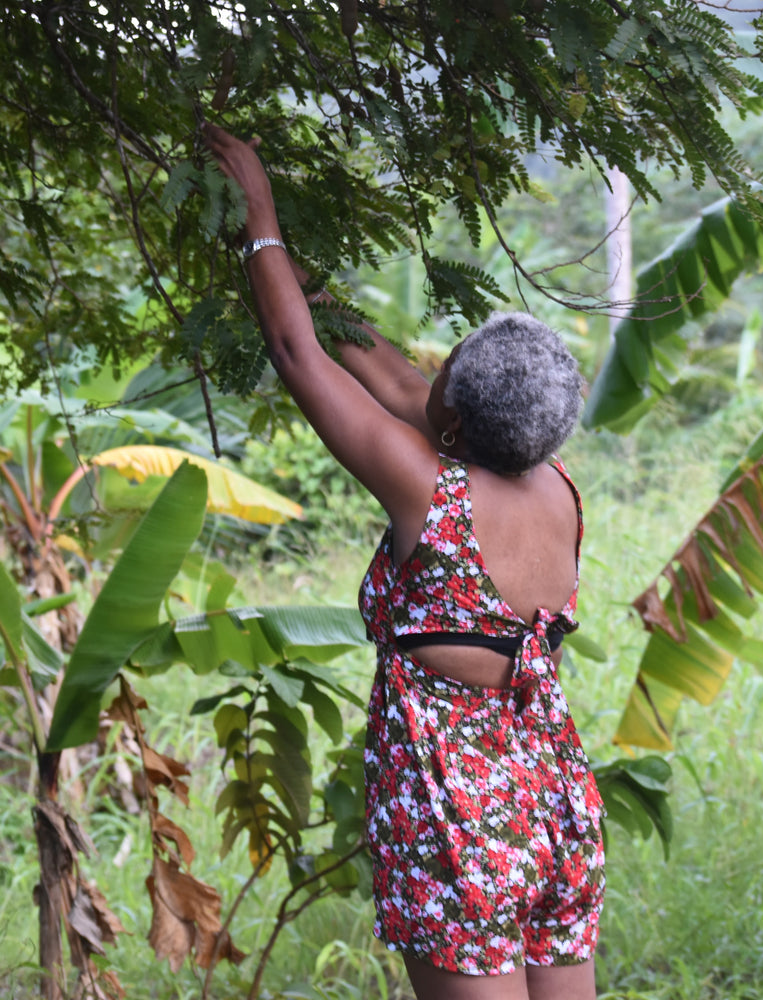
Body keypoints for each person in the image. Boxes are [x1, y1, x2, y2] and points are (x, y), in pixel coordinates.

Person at [203, 123, 605, 1000]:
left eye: (447, 369)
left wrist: (261, 217)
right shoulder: (555, 487)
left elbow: (298, 353)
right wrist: (291, 264)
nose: (429, 370)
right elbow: (384, 370)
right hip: (552, 793)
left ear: (453, 426)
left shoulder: (432, 495)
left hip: (458, 809)